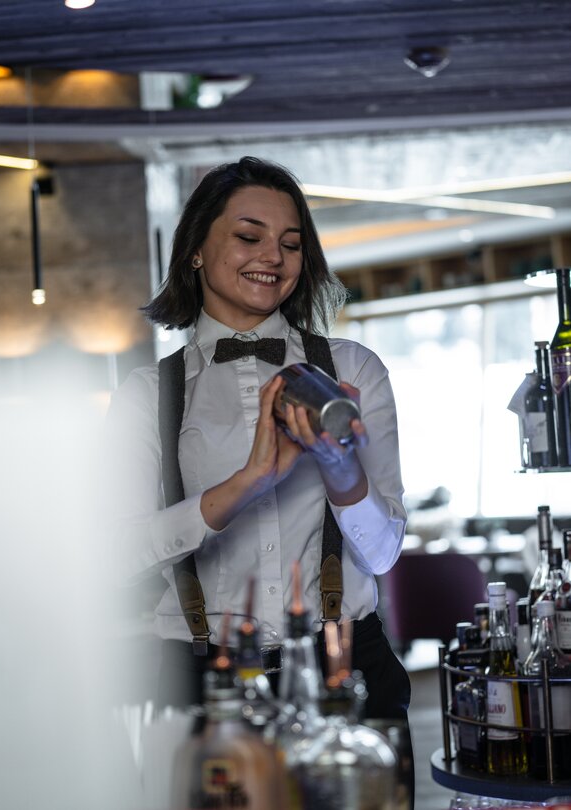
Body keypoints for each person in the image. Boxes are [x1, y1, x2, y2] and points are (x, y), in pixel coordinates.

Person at [106, 156, 410, 724]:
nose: (273, 256)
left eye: (291, 244)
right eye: (250, 236)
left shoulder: (353, 370)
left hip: (347, 667)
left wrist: (342, 472)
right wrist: (247, 484)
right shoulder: (146, 394)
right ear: (195, 248)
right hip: (202, 678)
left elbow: (382, 553)